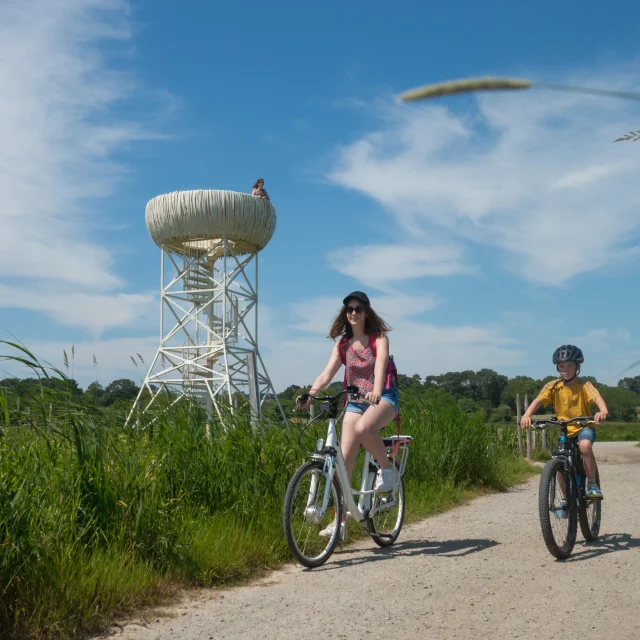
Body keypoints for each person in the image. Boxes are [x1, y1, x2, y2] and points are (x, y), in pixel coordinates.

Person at [297, 291, 399, 537]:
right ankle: (339, 522)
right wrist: (310, 393)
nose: (353, 312)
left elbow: (380, 366)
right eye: (349, 309)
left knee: (365, 428)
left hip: (383, 397)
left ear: (366, 313)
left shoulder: (379, 338)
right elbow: (327, 374)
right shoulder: (342, 344)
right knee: (344, 463)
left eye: (357, 308)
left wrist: (375, 392)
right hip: (354, 402)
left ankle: (387, 470)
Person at [520, 344, 608, 501]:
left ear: (577, 366)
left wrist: (602, 410)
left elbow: (597, 398)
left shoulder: (584, 385)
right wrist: (527, 415)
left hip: (583, 426)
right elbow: (538, 401)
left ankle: (592, 483)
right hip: (564, 429)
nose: (565, 369)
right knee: (559, 460)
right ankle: (566, 499)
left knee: (585, 446)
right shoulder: (553, 386)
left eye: (570, 365)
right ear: (557, 368)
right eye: (562, 366)